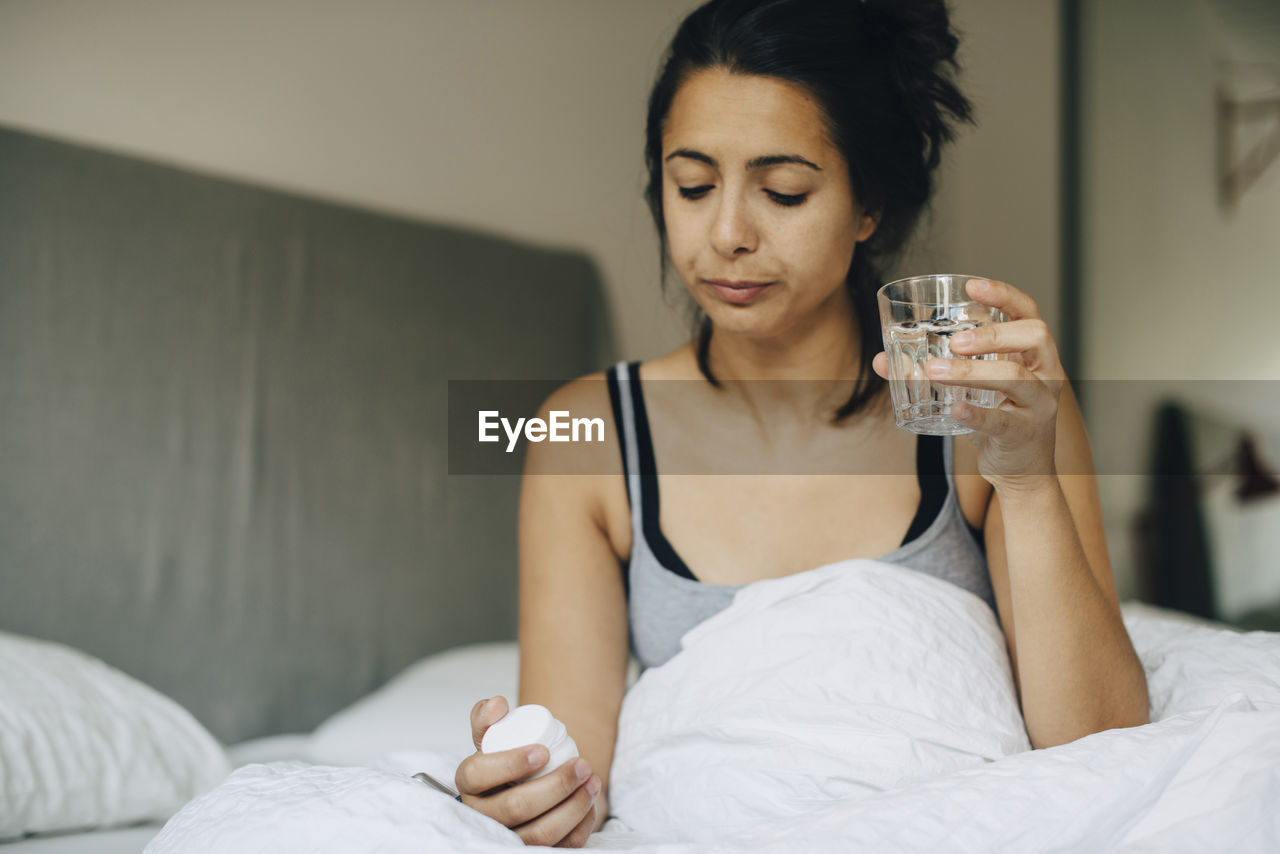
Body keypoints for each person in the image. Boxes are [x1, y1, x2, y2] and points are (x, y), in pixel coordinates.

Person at [453, 0, 1149, 846]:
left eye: (783, 191)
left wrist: (1031, 482)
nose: (728, 234)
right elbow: (573, 780)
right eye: (693, 186)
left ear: (869, 208)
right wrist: (529, 795)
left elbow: (1105, 750)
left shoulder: (988, 405)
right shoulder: (587, 435)